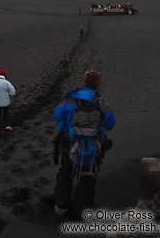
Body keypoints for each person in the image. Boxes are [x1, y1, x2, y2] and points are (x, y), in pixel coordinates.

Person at [53, 70, 115, 219]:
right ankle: (80, 212)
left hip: (69, 144)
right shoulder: (102, 103)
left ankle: (60, 207)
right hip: (94, 148)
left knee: (66, 173)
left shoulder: (70, 100)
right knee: (88, 176)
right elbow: (110, 124)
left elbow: (57, 115)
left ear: (83, 83)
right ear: (99, 86)